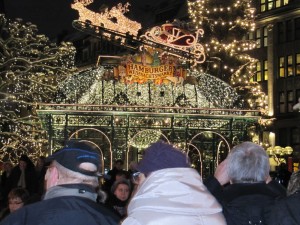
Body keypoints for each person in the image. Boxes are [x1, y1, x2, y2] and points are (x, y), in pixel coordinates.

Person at [0, 140, 119, 225]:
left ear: (53, 174)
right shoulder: (113, 219)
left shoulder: (21, 219)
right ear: (94, 181)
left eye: (48, 170)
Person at [122, 141, 226, 225]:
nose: (136, 183)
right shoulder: (216, 216)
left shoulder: (139, 221)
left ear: (150, 178)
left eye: (138, 177)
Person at [204, 141, 286, 225]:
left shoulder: (214, 204)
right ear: (266, 174)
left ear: (229, 174)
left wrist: (215, 181)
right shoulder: (284, 205)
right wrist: (273, 184)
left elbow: (194, 209)